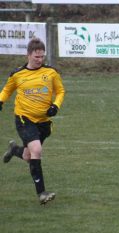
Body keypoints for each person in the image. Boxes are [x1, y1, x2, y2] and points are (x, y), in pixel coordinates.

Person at [0, 37, 65, 205]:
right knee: (36, 149)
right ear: (28, 55)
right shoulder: (17, 75)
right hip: (24, 118)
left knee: (29, 156)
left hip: (43, 122)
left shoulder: (51, 73)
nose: (39, 60)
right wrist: (0, 101)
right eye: (36, 57)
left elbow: (60, 91)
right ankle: (42, 193)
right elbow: (6, 91)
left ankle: (15, 150)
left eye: (42, 56)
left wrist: (55, 106)